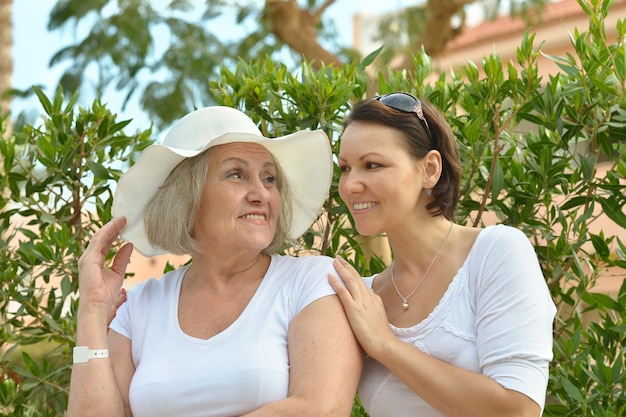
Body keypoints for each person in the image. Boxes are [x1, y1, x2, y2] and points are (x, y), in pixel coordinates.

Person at [67, 106, 363, 417]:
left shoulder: (314, 281)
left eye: (269, 178)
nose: (261, 193)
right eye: (237, 174)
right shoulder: (138, 307)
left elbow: (321, 409)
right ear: (188, 198)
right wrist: (92, 311)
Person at [328, 92, 556, 417]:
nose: (350, 185)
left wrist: (385, 345)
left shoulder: (495, 253)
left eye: (372, 164)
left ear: (429, 169)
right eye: (346, 168)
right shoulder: (364, 296)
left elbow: (518, 409)